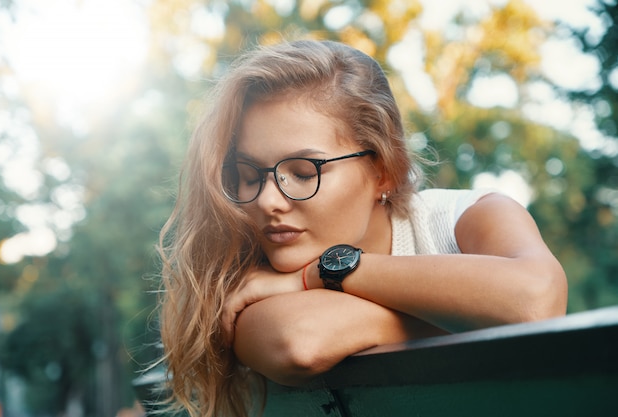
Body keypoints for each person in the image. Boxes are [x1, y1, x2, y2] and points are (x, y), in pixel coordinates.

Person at [158, 39, 568, 417]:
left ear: (384, 169)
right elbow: (299, 341)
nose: (267, 200)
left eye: (303, 172)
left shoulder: (466, 218)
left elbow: (535, 301)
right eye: (249, 175)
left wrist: (320, 273)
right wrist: (471, 314)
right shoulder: (238, 270)